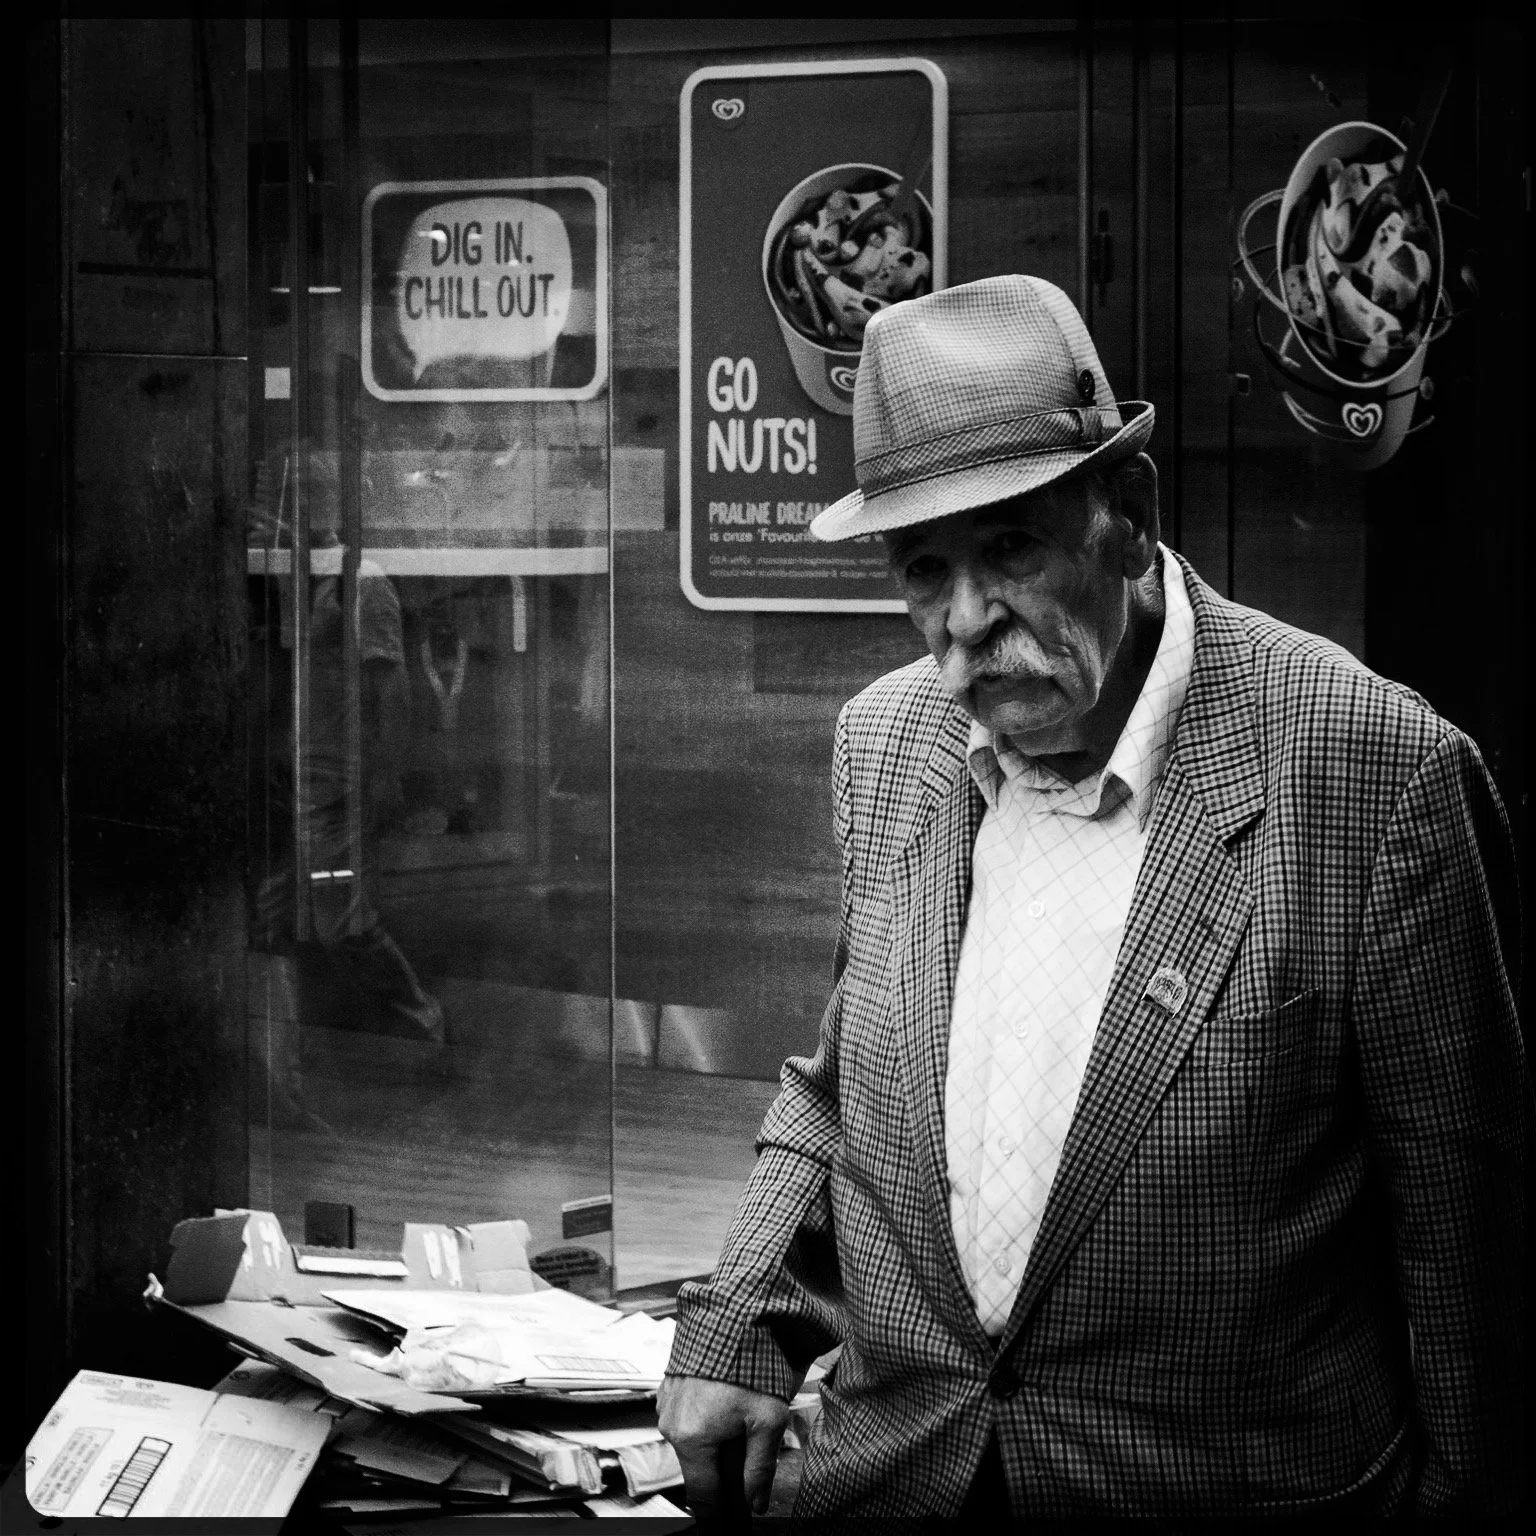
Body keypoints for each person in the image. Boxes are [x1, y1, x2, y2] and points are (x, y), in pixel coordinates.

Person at [657, 275, 1527, 1520]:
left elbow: (1476, 1255)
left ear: (1127, 511)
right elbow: (849, 1086)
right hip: (904, 1480)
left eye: (1011, 547)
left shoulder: (1375, 775)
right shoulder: (888, 746)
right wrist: (738, 1323)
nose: (965, 626)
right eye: (922, 569)